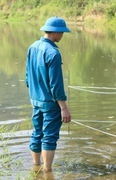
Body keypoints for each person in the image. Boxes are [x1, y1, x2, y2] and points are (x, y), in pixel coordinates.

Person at [25, 16, 72, 173]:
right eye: (62, 32)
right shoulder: (53, 53)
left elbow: (27, 77)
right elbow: (56, 84)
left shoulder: (32, 47)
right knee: (50, 137)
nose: (62, 35)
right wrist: (63, 108)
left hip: (35, 99)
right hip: (50, 102)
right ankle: (47, 172)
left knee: (37, 133)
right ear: (55, 32)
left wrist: (35, 94)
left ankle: (36, 166)